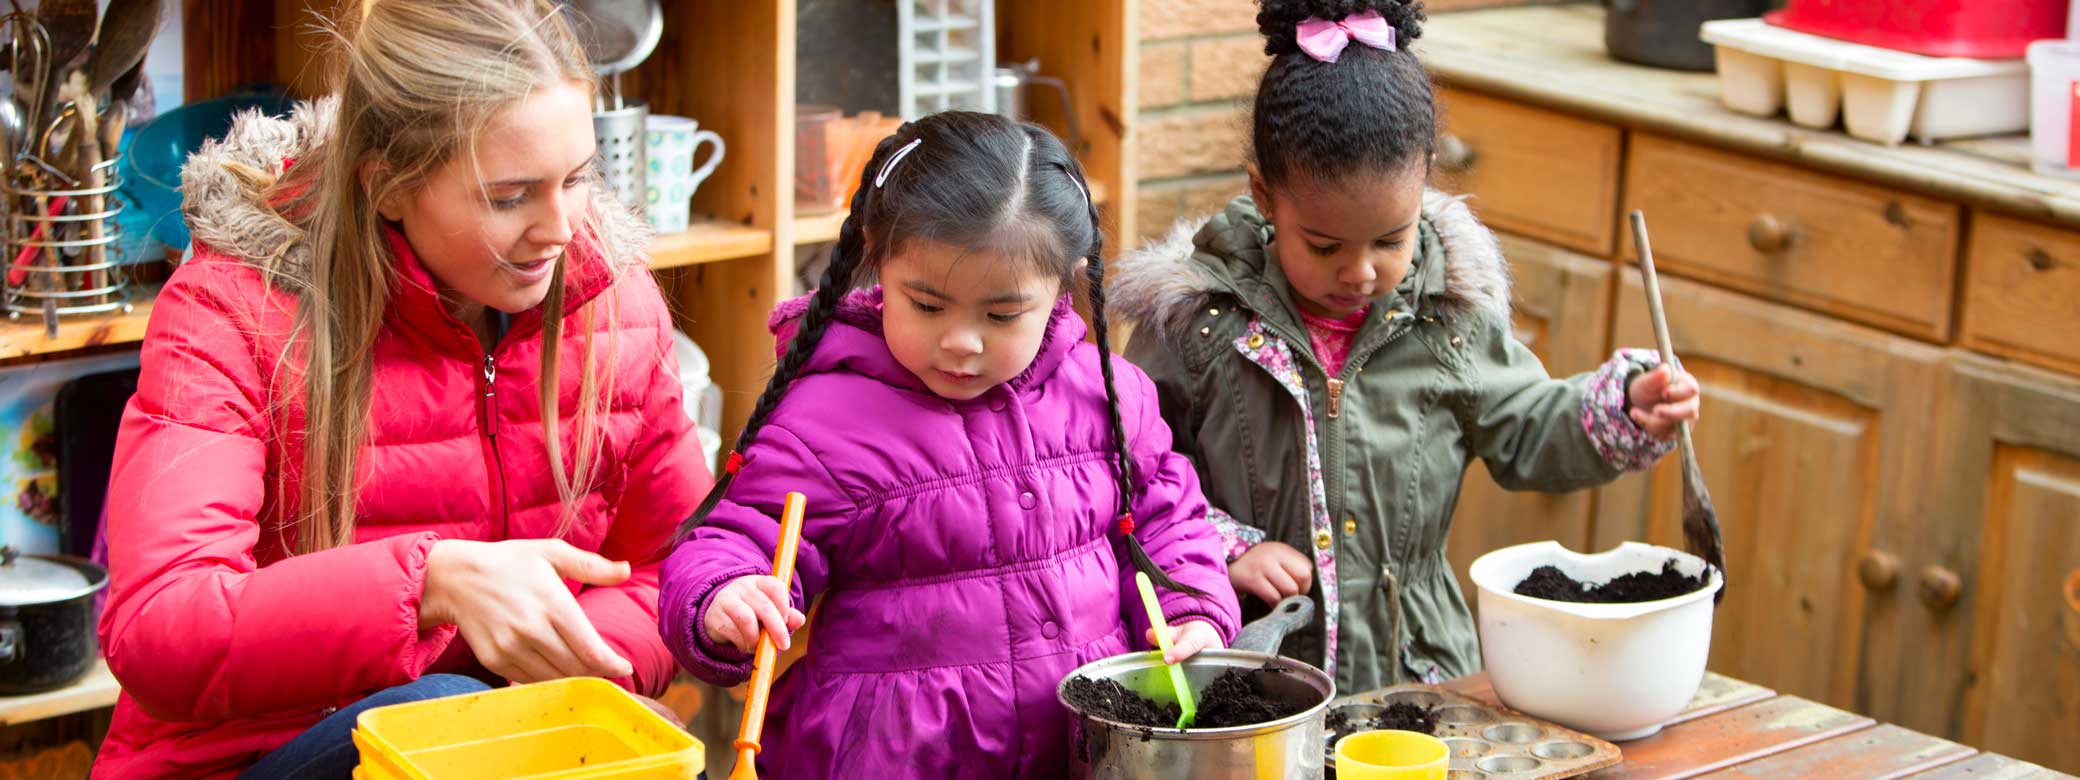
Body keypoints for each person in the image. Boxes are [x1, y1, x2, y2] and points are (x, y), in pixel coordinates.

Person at [93, 2, 709, 776]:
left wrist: (579, 674)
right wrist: (428, 584)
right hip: (248, 759)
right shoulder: (230, 311)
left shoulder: (614, 307)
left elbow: (673, 565)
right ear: (385, 184)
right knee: (431, 709)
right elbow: (160, 625)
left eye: (578, 179)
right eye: (510, 196)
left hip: (506, 749)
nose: (561, 228)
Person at [1109, 0, 1704, 694]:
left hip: (1416, 677)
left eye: (1392, 240)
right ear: (1265, 198)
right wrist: (1228, 549)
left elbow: (1530, 426)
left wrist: (1626, 407)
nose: (1360, 272)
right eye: (1324, 246)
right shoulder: (1200, 325)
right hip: (1253, 678)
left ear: (1424, 189)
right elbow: (1133, 476)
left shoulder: (1446, 317)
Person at [658, 112, 1241, 778]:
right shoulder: (827, 419)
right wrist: (724, 596)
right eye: (928, 306)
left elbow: (1167, 518)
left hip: (1078, 748)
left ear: (1064, 282)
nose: (961, 341)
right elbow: (741, 535)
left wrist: (1190, 606)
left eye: (1001, 314)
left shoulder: (1108, 397)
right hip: (888, 755)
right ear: (877, 256)